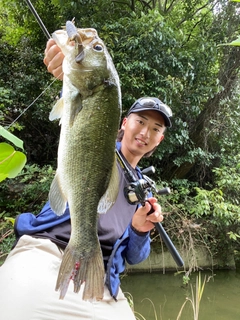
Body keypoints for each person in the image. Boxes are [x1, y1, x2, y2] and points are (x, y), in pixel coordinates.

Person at [0, 39, 172, 320]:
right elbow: (79, 106)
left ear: (160, 139)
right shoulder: (97, 143)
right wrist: (66, 68)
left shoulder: (142, 189)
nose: (145, 132)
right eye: (140, 121)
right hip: (49, 252)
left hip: (100, 278)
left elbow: (134, 257)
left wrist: (140, 230)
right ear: (124, 122)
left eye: (155, 128)